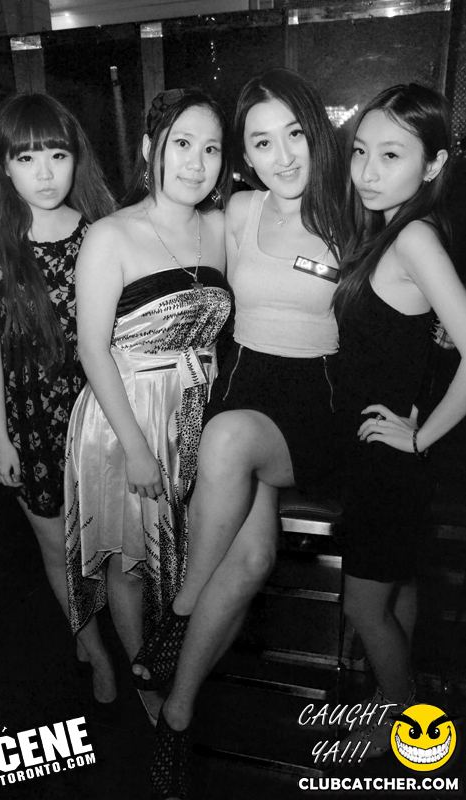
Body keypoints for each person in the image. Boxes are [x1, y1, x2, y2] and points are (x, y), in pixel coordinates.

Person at [131, 68, 346, 799]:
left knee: (225, 440)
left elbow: (392, 316)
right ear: (244, 157)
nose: (281, 156)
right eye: (260, 142)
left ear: (316, 133)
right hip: (240, 388)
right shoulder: (240, 211)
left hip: (313, 407)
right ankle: (178, 717)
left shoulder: (354, 216)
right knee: (249, 561)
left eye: (294, 134)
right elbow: (177, 260)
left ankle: (176, 614)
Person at [64, 88, 231, 727]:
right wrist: (135, 448)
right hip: (125, 416)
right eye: (181, 144)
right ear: (148, 149)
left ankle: (176, 660)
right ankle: (144, 679)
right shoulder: (112, 234)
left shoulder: (220, 227)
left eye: (211, 148)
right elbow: (92, 348)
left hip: (198, 413)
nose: (196, 162)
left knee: (188, 555)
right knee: (131, 561)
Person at [0, 92, 117, 703]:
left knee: (103, 547)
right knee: (58, 548)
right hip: (24, 413)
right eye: (27, 158)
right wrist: (2, 437)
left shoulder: (100, 232)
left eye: (57, 154)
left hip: (93, 409)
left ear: (76, 158)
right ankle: (96, 653)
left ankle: (95, 632)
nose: (45, 173)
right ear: (4, 165)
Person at [332, 83, 466, 758]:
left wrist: (420, 437)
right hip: (382, 456)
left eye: (391, 154)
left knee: (363, 605)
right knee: (395, 589)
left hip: (391, 459)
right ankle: (399, 700)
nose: (367, 170)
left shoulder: (413, 235)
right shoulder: (392, 229)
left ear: (434, 163)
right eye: (361, 151)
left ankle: (401, 717)